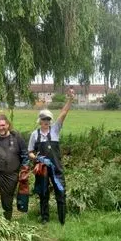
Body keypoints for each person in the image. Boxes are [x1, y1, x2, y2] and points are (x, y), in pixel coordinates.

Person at [28, 88, 75, 225]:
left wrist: (70, 99)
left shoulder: (55, 130)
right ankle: (44, 218)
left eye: (48, 119)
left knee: (61, 192)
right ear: (40, 120)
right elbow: (30, 152)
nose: (46, 121)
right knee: (43, 194)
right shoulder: (34, 135)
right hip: (42, 169)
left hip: (56, 168)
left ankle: (62, 220)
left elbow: (64, 113)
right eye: (44, 119)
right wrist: (37, 158)